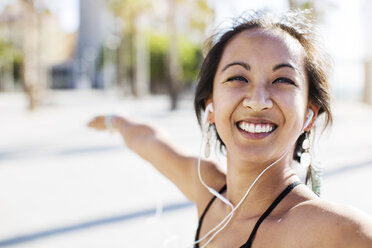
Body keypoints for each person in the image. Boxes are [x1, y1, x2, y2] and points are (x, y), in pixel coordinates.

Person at [88, 10, 372, 248]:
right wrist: (114, 120)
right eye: (238, 77)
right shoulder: (209, 191)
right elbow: (149, 140)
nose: (257, 101)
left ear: (310, 114)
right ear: (210, 105)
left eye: (282, 80)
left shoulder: (336, 231)